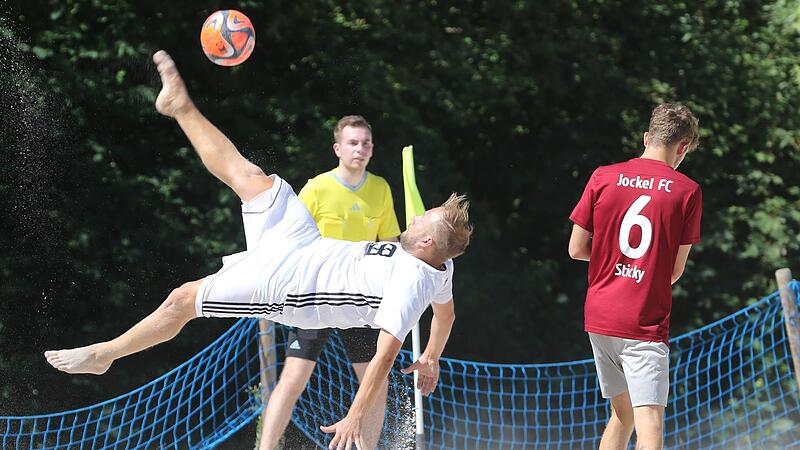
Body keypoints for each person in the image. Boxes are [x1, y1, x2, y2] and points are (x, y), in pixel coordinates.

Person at [44, 50, 471, 450]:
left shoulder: (411, 282)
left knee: (182, 299)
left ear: (428, 242)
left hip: (292, 287)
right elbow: (447, 314)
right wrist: (431, 357)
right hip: (304, 243)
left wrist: (354, 417)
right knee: (252, 177)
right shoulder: (442, 265)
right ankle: (180, 106)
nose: (413, 218)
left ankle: (104, 354)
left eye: (421, 220)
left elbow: (384, 357)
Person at [259, 115, 401, 450]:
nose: (361, 149)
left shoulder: (380, 188)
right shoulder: (317, 187)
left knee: (375, 383)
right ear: (338, 148)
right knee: (293, 379)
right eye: (353, 142)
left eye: (366, 143)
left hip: (360, 297)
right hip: (315, 292)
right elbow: (288, 239)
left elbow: (391, 244)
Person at [568, 103, 702, 450]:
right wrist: (641, 271)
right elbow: (673, 271)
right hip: (642, 320)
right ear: (683, 147)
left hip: (599, 316)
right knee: (650, 423)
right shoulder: (687, 191)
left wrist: (613, 263)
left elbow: (576, 249)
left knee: (623, 415)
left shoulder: (602, 175)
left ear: (647, 137)